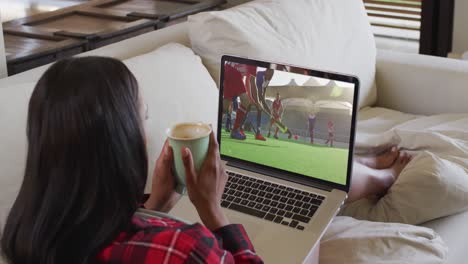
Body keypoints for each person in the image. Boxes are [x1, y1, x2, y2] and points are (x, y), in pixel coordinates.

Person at [0, 57, 263, 264]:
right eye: (143, 118)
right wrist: (213, 210)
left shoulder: (24, 236)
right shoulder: (184, 250)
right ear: (123, 140)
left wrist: (154, 206)